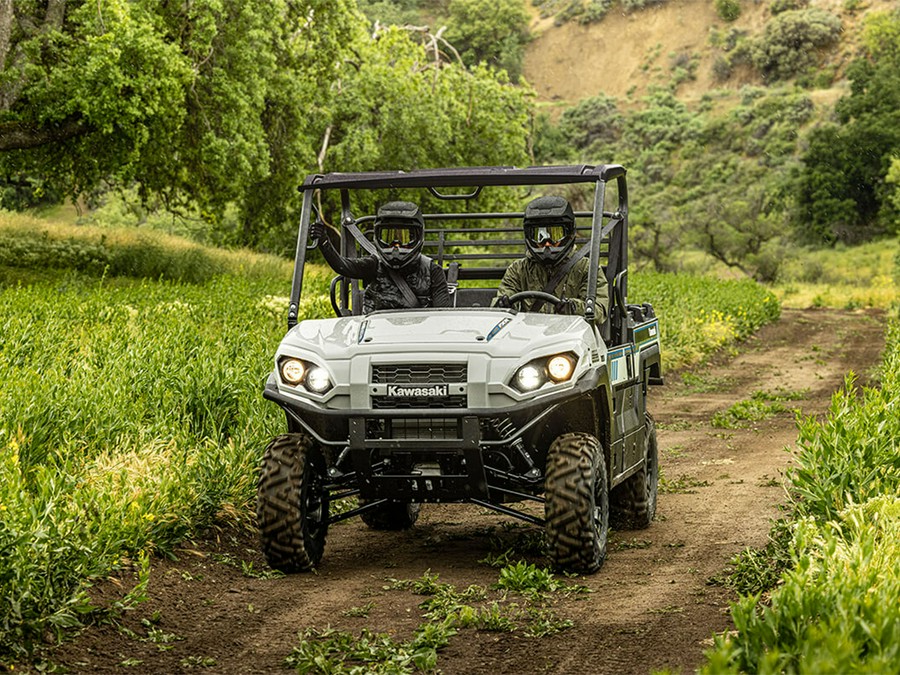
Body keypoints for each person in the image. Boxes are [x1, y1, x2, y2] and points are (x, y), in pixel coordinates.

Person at [310, 200, 451, 313]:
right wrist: (324, 241)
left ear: (418, 237)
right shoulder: (374, 265)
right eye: (388, 238)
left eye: (406, 238)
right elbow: (343, 266)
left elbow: (442, 316)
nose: (396, 245)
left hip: (418, 337)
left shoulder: (432, 270)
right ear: (377, 236)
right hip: (375, 336)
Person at [493, 195, 609, 323]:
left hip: (571, 337)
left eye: (555, 235)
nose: (547, 243)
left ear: (568, 233)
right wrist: (502, 305)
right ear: (529, 236)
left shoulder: (586, 268)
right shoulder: (518, 269)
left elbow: (598, 311)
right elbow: (500, 304)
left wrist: (573, 308)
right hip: (528, 336)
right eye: (540, 236)